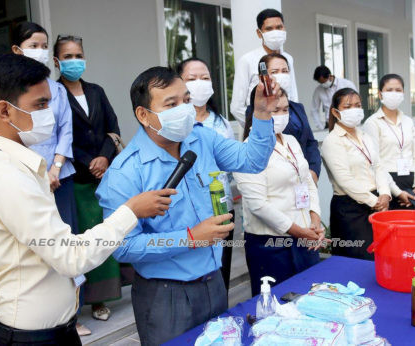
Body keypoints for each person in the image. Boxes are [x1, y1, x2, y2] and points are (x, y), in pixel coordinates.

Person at [0, 53, 173, 346]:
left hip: (52, 330)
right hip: (29, 338)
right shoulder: (7, 176)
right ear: (4, 111)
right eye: (40, 104)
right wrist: (131, 210)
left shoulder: (17, 165)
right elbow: (69, 256)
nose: (50, 114)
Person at [96, 66, 279, 345]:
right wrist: (191, 238)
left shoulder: (201, 138)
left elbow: (251, 160)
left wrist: (263, 114)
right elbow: (123, 247)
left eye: (186, 100)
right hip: (165, 296)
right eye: (171, 104)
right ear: (143, 115)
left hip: (213, 283)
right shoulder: (125, 172)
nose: (184, 110)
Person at [53, 35, 122, 322]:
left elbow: (112, 127)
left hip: (104, 175)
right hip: (77, 177)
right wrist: (87, 162)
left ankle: (103, 297)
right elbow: (59, 137)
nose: (74, 61)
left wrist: (104, 158)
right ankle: (86, 302)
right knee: (84, 238)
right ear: (57, 61)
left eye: (78, 55)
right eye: (67, 56)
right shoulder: (54, 93)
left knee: (107, 233)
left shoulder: (96, 90)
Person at [235, 90, 327, 296]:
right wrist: (299, 231)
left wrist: (315, 218)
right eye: (275, 109)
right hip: (271, 247)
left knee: (310, 301)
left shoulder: (291, 141)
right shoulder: (246, 150)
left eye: (285, 109)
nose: (282, 115)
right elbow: (258, 205)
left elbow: (307, 182)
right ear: (257, 110)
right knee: (277, 309)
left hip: (305, 239)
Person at [11, 22, 78, 234]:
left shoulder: (58, 89)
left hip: (60, 176)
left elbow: (66, 131)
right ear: (17, 50)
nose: (40, 51)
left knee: (66, 234)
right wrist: (40, 173)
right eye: (34, 45)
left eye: (44, 46)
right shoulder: (9, 91)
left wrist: (55, 169)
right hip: (25, 174)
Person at [176, 57, 235, 291]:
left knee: (222, 270)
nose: (199, 83)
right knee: (196, 274)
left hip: (222, 205)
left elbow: (230, 165)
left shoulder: (221, 123)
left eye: (205, 78)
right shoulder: (177, 122)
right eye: (192, 79)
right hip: (189, 210)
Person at [321, 88, 391, 260]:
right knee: (358, 260)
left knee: (380, 256)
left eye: (358, 105)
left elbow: (378, 166)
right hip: (350, 209)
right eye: (348, 106)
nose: (354, 110)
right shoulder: (332, 141)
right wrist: (375, 201)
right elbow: (345, 180)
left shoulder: (364, 136)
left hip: (375, 202)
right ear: (335, 112)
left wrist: (384, 194)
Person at [251, 53, 322, 183]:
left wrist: (313, 171)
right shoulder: (257, 111)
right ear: (263, 77)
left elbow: (311, 142)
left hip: (305, 176)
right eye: (275, 71)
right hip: (277, 180)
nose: (281, 75)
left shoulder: (297, 108)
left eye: (285, 71)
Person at [230, 8, 298, 127]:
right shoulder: (247, 60)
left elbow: (293, 96)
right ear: (259, 33)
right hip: (261, 129)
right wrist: (258, 126)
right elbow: (236, 107)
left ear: (284, 28)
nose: (275, 32)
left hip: (287, 126)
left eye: (279, 27)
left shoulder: (288, 58)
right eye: (269, 29)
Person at [364, 74, 415, 209]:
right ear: (380, 94)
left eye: (398, 90)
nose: (394, 94)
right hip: (387, 185)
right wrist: (397, 192)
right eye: (389, 90)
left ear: (403, 93)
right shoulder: (372, 123)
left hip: (411, 185)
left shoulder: (408, 121)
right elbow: (375, 162)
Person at [311, 65, 357, 130]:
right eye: (320, 83)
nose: (323, 84)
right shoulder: (319, 90)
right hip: (330, 124)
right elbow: (314, 110)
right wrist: (320, 127)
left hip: (347, 122)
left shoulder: (346, 84)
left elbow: (356, 103)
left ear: (330, 76)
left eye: (324, 82)